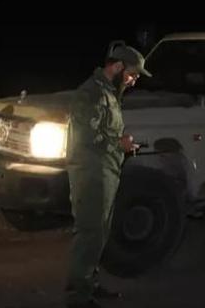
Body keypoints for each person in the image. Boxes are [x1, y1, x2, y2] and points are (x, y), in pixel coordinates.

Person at [66, 45, 151, 308]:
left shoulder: (109, 92)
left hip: (107, 170)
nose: (134, 81)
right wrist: (119, 144)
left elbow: (104, 131)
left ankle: (89, 284)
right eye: (132, 74)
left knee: (99, 233)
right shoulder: (91, 93)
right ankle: (77, 298)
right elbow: (87, 136)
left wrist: (121, 145)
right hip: (91, 171)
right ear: (117, 67)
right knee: (89, 234)